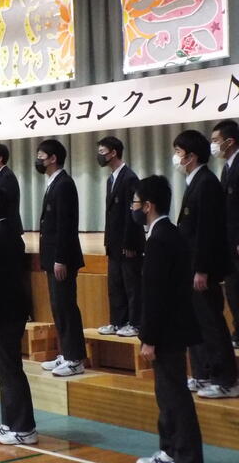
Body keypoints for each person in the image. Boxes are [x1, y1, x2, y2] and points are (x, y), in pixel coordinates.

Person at [132, 175, 204, 463]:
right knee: (168, 393)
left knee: (174, 395)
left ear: (148, 206)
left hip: (167, 332)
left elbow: (156, 294)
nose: (133, 208)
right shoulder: (169, 234)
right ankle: (170, 450)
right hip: (173, 328)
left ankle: (184, 454)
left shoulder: (160, 240)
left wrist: (149, 338)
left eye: (136, 202)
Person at [172, 129, 238, 398]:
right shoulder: (195, 181)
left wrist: (201, 269)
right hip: (189, 266)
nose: (176, 157)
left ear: (191, 156)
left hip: (203, 269)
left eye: (178, 152)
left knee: (211, 323)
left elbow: (207, 232)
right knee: (196, 323)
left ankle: (226, 380)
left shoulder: (207, 183)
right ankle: (203, 373)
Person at [0, 189, 36, 446]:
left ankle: (24, 428)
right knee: (5, 371)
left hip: (4, 314)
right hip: (14, 309)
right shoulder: (10, 232)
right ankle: (10, 422)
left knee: (10, 371)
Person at [35, 139, 87, 377]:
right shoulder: (53, 183)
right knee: (57, 306)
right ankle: (66, 353)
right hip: (52, 257)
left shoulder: (64, 184)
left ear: (53, 158)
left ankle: (75, 359)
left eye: (41, 156)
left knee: (66, 307)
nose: (38, 161)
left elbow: (66, 225)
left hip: (61, 258)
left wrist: (60, 258)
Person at [96, 136, 145, 337]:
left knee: (132, 285)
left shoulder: (130, 178)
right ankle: (117, 322)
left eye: (102, 152)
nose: (99, 156)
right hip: (114, 242)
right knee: (115, 284)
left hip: (128, 243)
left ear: (114, 153)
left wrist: (130, 242)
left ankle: (135, 323)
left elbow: (132, 213)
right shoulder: (111, 179)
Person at [211, 120, 239, 349]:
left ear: (229, 141)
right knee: (232, 288)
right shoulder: (227, 167)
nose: (213, 145)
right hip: (228, 240)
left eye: (215, 141)